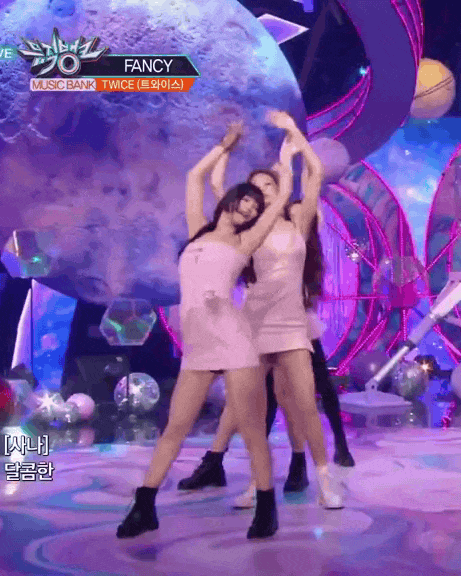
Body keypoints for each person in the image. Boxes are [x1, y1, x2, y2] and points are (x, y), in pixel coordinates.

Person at [117, 118, 292, 540]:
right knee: (175, 428)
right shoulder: (199, 230)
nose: (249, 209)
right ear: (230, 198)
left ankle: (266, 507)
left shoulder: (244, 243)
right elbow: (195, 177)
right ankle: (144, 506)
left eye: (255, 208)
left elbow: (281, 199)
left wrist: (287, 158)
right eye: (245, 200)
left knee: (251, 428)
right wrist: (225, 146)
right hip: (197, 345)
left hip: (233, 340)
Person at [177, 111, 343, 510]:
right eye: (257, 187)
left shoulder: (299, 220)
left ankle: (325, 482)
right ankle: (256, 483)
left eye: (269, 184)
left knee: (305, 403)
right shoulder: (249, 229)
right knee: (249, 407)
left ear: (279, 187)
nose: (263, 191)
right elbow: (215, 185)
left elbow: (316, 173)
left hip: (291, 324)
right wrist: (227, 146)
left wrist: (293, 132)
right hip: (252, 323)